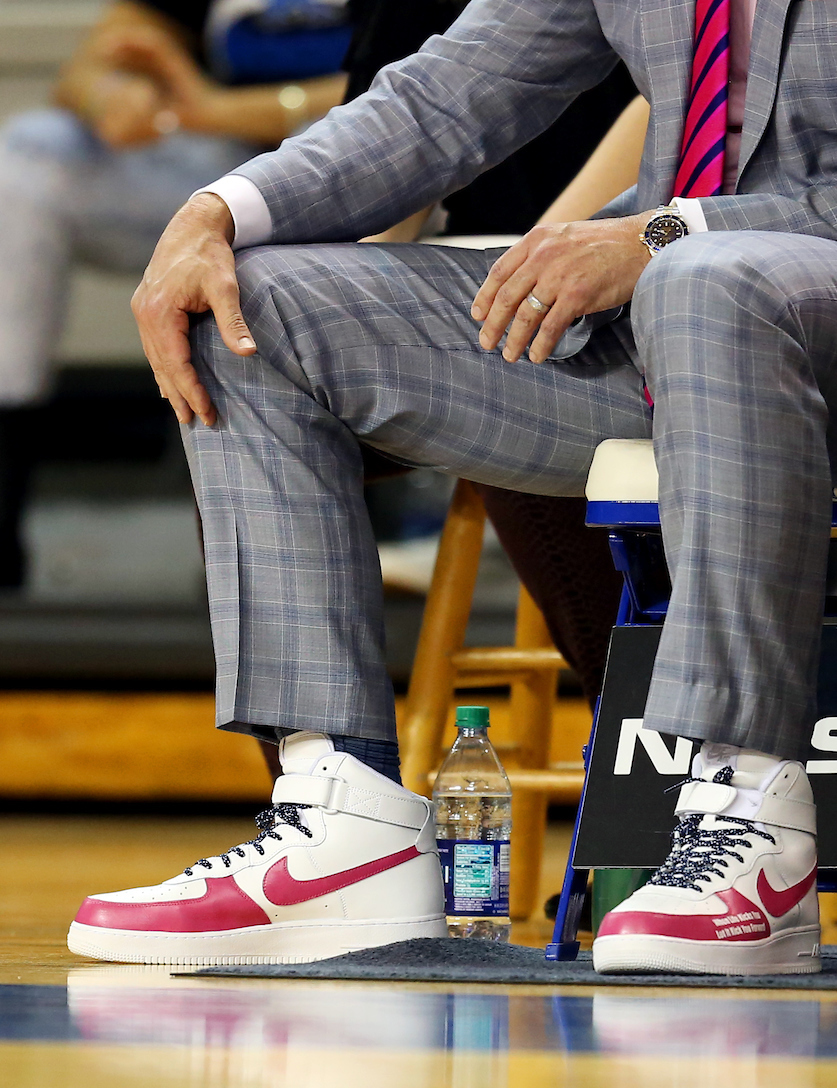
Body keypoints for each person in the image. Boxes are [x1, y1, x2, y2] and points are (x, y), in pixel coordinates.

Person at [70, 0, 830, 976]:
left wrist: (671, 231)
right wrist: (214, 212)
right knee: (240, 305)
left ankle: (751, 817)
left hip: (783, 303)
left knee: (705, 277)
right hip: (672, 316)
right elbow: (441, 100)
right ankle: (344, 823)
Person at [0, 0, 347, 586]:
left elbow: (414, 99)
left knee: (326, 141)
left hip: (355, 169)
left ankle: (336, 534)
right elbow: (91, 64)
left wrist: (215, 110)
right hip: (218, 170)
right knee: (31, 150)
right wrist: (108, 97)